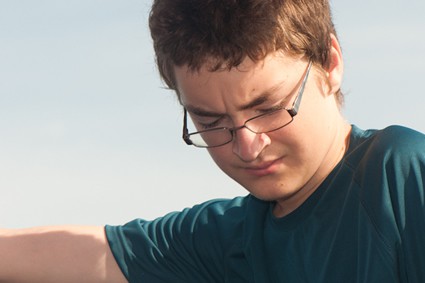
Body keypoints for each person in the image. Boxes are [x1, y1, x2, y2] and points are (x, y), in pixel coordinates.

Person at [1, 0, 425, 282]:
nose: (246, 145)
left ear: (330, 63)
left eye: (268, 107)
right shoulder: (229, 240)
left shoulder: (402, 177)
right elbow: (88, 255)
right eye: (211, 121)